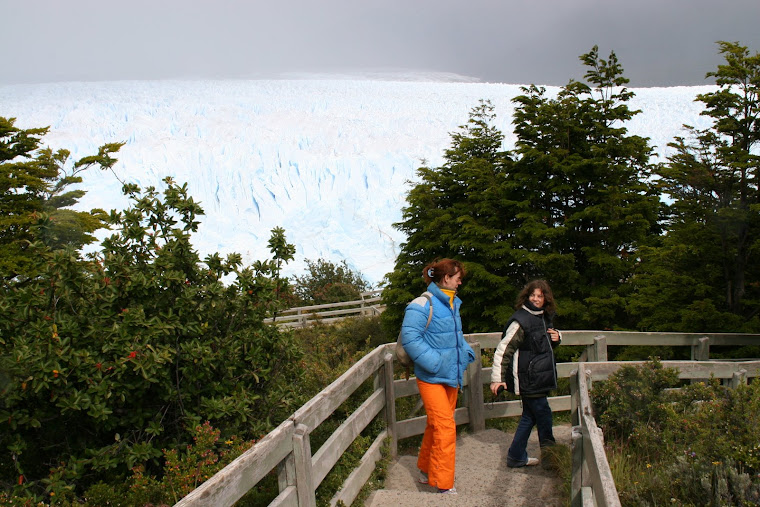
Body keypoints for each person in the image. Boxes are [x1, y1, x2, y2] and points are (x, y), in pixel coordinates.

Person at [400, 258, 476, 494]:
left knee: (436, 425)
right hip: (431, 377)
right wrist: (434, 362)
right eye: (457, 277)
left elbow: (454, 336)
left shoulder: (453, 304)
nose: (460, 281)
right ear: (446, 278)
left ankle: (425, 468)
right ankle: (443, 484)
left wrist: (466, 353)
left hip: (450, 375)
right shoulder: (421, 305)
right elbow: (411, 339)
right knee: (445, 427)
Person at [490, 279, 561, 468]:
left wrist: (557, 337)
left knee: (530, 417)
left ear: (546, 298)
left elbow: (541, 344)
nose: (536, 299)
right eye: (533, 295)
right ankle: (551, 457)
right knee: (544, 415)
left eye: (540, 296)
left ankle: (515, 456)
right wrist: (497, 379)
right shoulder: (521, 320)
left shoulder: (544, 317)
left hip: (539, 377)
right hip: (529, 379)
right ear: (526, 296)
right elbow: (503, 349)